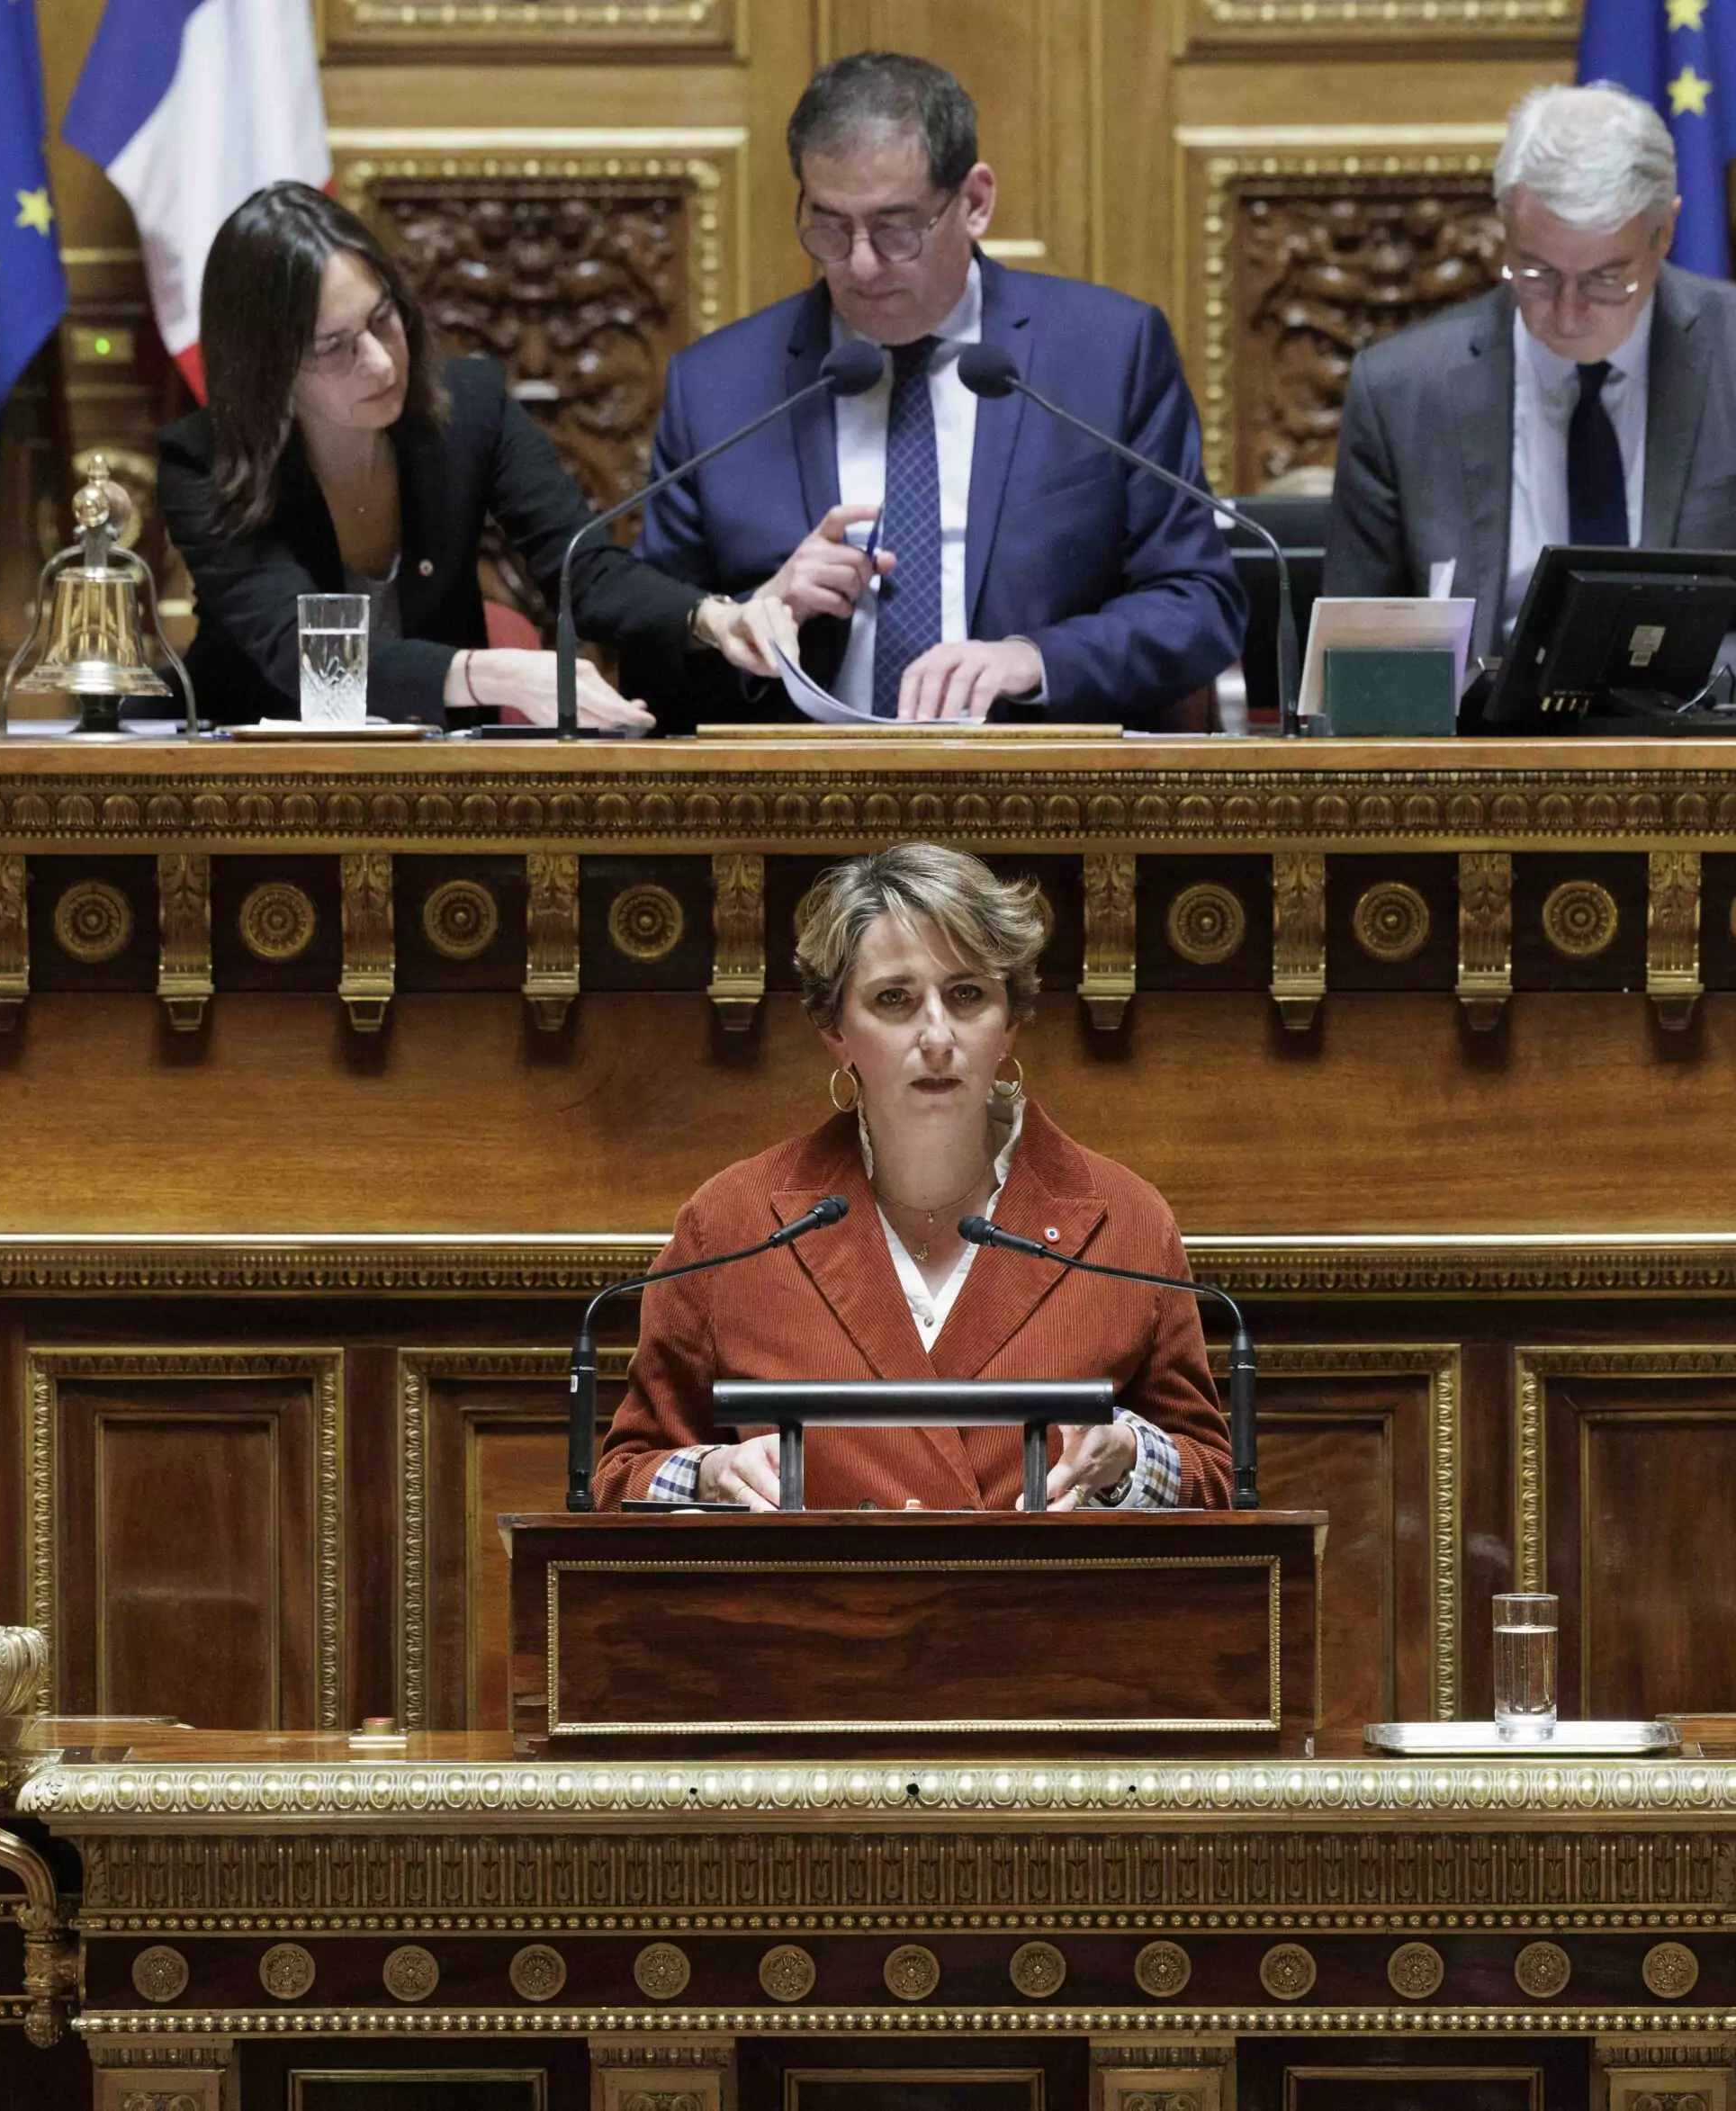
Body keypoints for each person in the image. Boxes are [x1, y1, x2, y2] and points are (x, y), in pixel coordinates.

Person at [595, 844, 1235, 1511]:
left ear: (1010, 1021)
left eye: (967, 995)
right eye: (894, 999)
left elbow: (1218, 1484)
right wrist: (708, 1474)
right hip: (812, 1611)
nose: (936, 1034)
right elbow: (618, 1484)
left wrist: (1131, 1455)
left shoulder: (1124, 1221)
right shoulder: (733, 1223)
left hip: (1048, 1612)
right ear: (835, 1028)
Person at [634, 51, 1246, 727]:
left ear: (975, 203)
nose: (861, 265)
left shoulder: (1106, 353)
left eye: (897, 229)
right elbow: (645, 652)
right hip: (798, 807)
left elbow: (1199, 602)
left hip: (1049, 801)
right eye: (830, 227)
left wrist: (1033, 659)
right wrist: (751, 617)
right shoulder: (718, 387)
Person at [158, 183, 783, 727]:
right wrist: (500, 676)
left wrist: (714, 618)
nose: (379, 362)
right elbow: (302, 656)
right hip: (251, 789)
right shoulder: (205, 462)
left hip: (443, 777)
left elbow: (586, 572)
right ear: (271, 369)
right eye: (334, 347)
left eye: (383, 320)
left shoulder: (468, 406)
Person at [1325, 83, 1736, 673]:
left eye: (1606, 279)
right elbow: (1353, 658)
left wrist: (1631, 668)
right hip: (1481, 754)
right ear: (1506, 226)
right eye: (1536, 273)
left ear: (1663, 234)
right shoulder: (1402, 391)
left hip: (1697, 745)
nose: (1566, 313)